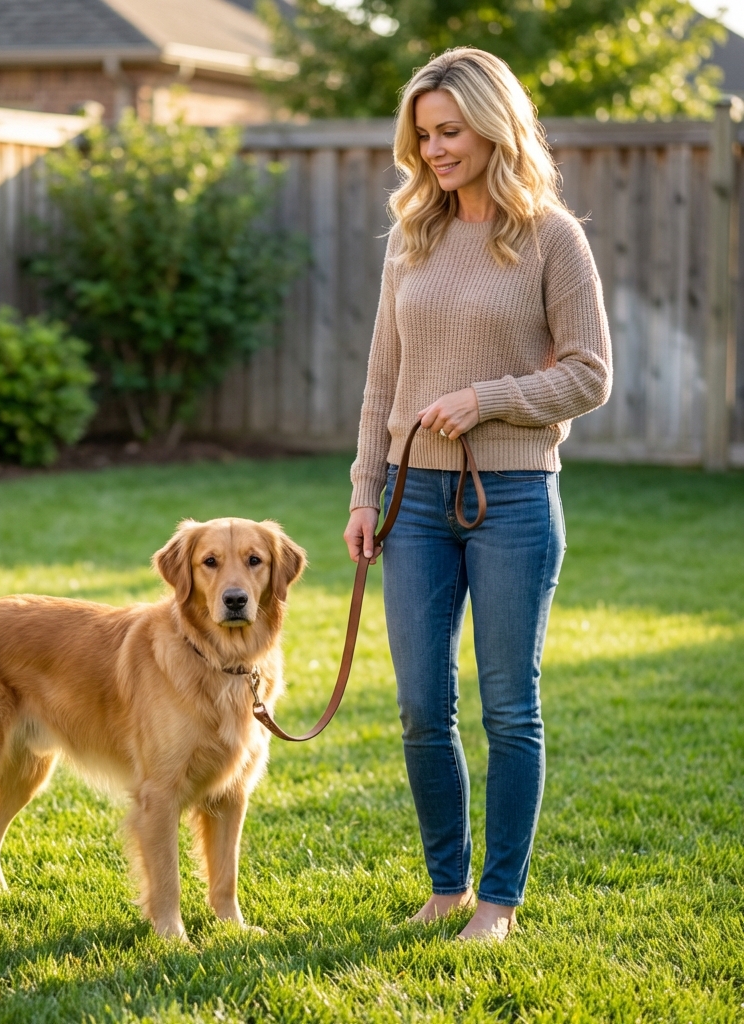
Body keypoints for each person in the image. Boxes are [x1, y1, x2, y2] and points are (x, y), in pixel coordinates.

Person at [343, 47, 612, 941]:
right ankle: (447, 884)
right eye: (422, 136)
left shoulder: (552, 238)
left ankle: (497, 900)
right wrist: (362, 493)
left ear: (495, 126)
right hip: (413, 501)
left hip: (516, 500)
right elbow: (383, 379)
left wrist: (487, 397)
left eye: (450, 132)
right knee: (422, 706)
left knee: (508, 705)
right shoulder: (412, 238)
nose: (433, 151)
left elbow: (590, 375)